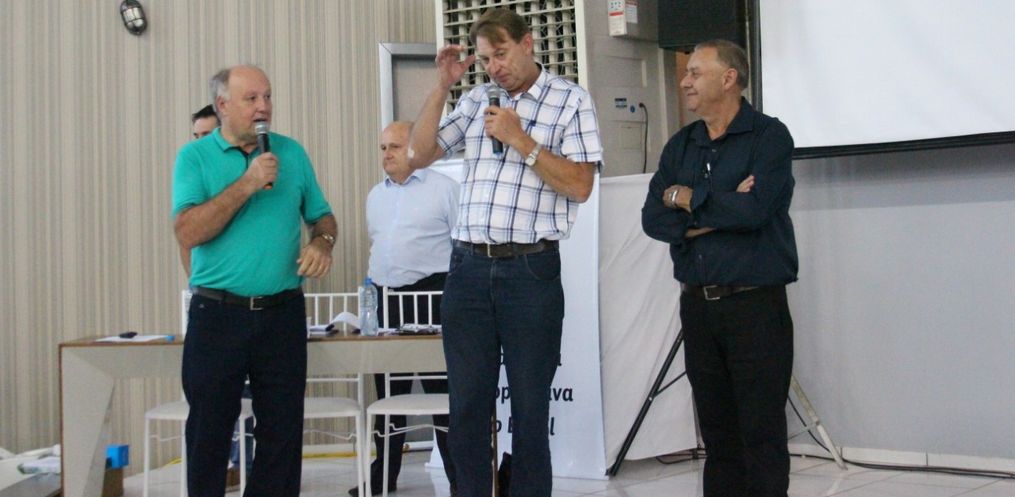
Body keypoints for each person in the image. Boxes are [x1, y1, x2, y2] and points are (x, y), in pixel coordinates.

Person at [407, 8, 603, 497]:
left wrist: (520, 139)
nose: (494, 67)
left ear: (528, 43)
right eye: (485, 59)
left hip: (530, 271)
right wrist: (442, 87)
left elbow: (580, 186)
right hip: (468, 269)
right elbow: (419, 154)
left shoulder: (570, 101)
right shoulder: (477, 100)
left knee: (531, 409)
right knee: (466, 406)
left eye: (501, 54)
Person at [641, 39, 798, 497]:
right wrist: (721, 206)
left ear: (728, 78)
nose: (684, 81)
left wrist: (687, 199)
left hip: (755, 306)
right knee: (718, 435)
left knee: (761, 433)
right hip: (698, 308)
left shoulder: (769, 137)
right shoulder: (681, 144)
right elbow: (654, 220)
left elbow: (757, 211)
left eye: (695, 72)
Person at [172, 64, 337, 497]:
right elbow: (187, 232)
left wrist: (323, 243)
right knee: (208, 432)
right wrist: (247, 183)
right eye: (251, 99)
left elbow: (322, 217)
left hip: (281, 313)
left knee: (282, 433)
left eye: (267, 96)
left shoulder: (292, 153)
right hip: (217, 314)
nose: (263, 107)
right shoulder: (194, 157)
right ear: (223, 105)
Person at [349, 121, 459, 496]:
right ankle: (384, 475)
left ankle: (461, 479)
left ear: (415, 146)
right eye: (383, 148)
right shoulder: (375, 196)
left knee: (442, 392)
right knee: (387, 394)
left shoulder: (444, 190)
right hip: (385, 298)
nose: (387, 154)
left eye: (394, 146)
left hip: (432, 297)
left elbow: (462, 248)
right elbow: (378, 246)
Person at [180, 105, 222, 277]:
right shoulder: (193, 178)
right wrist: (194, 282)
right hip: (207, 281)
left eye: (206, 135)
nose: (199, 143)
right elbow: (185, 237)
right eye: (196, 136)